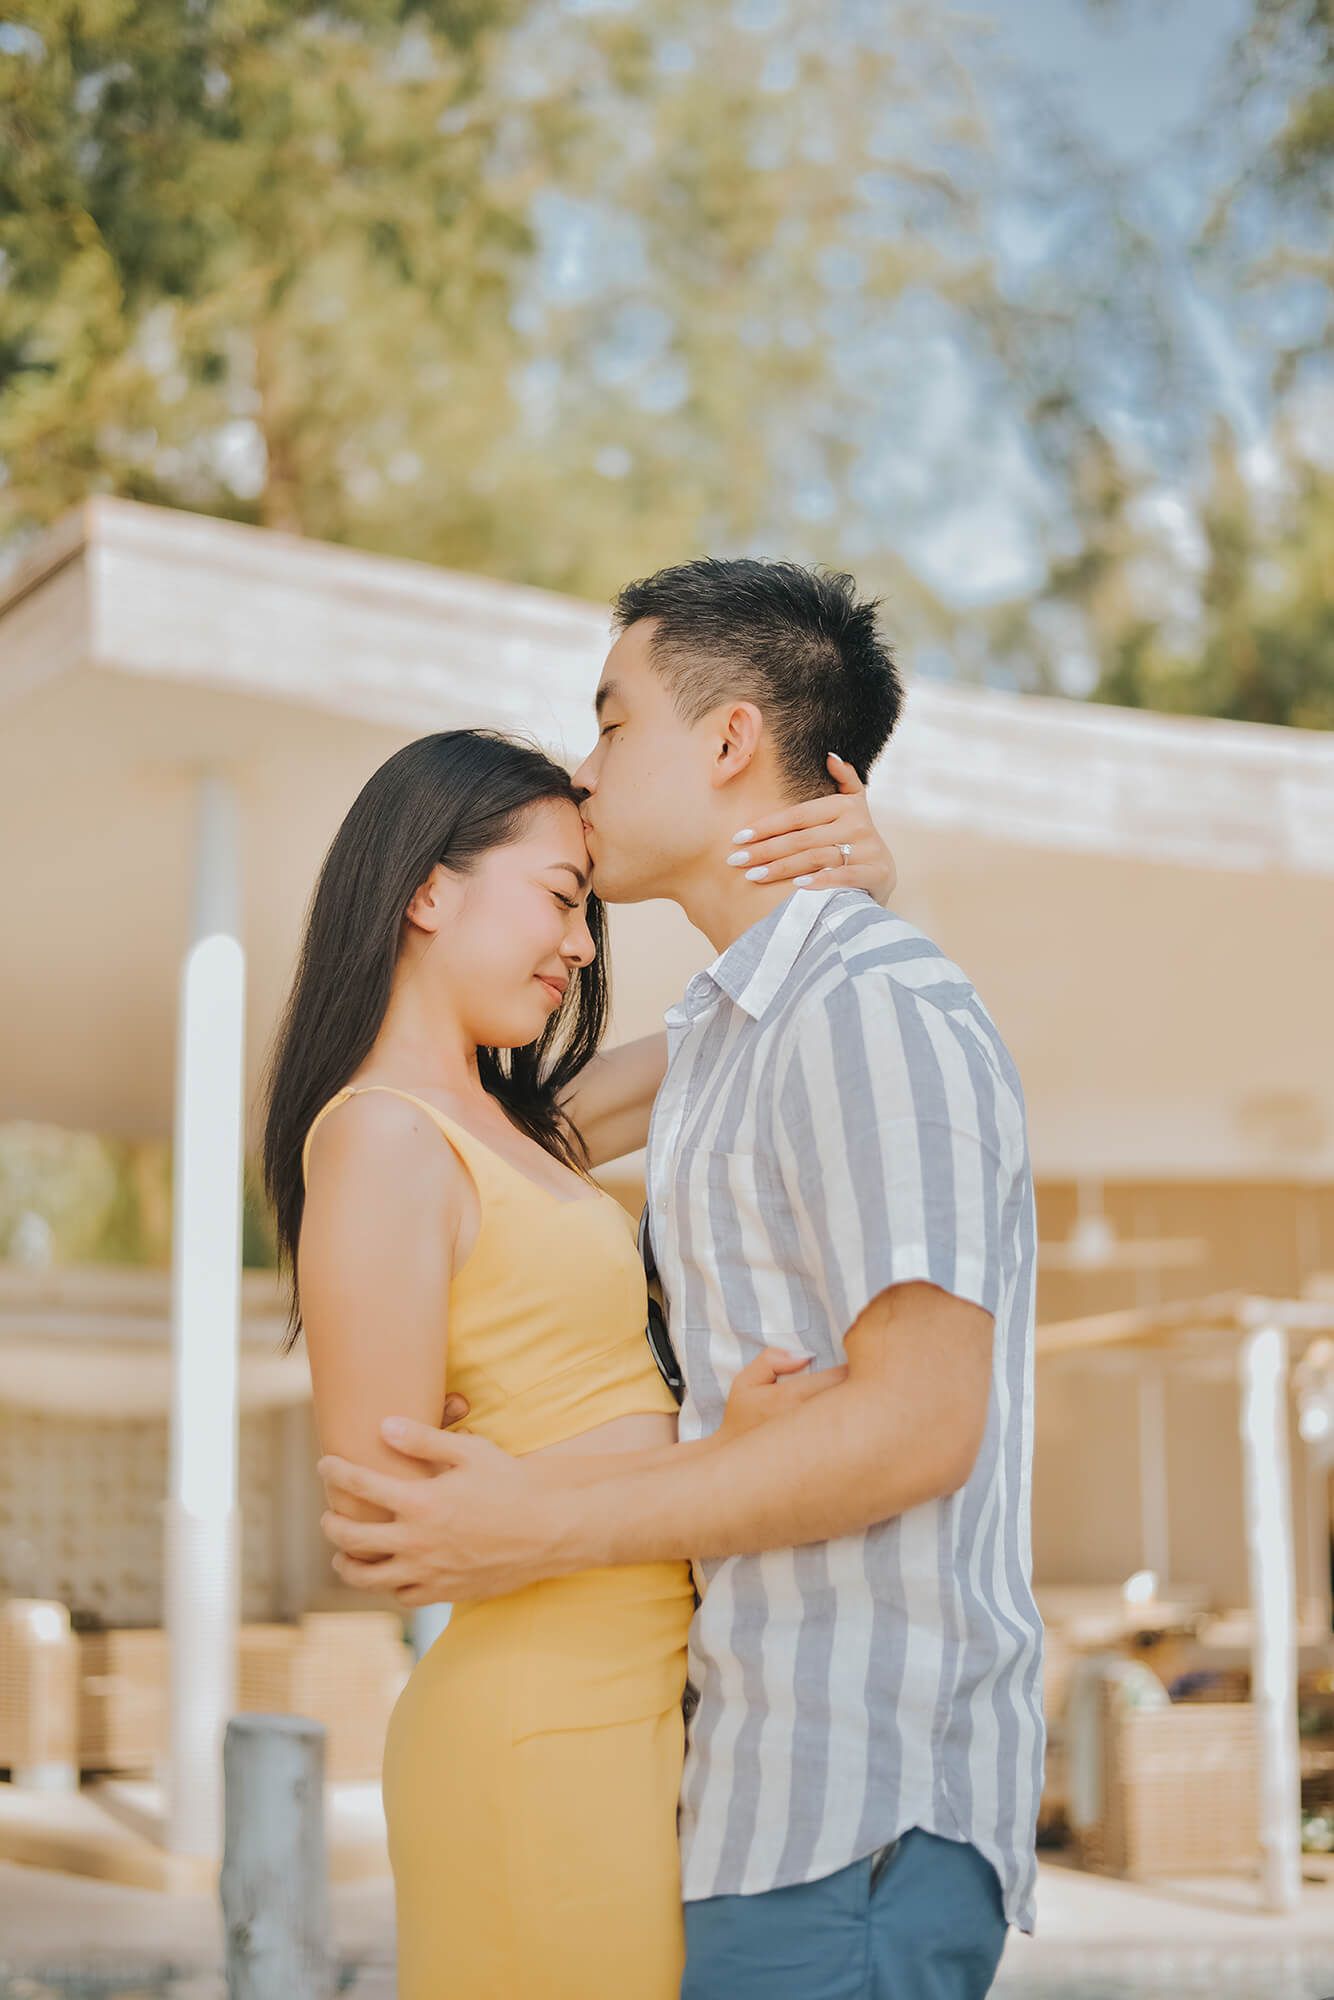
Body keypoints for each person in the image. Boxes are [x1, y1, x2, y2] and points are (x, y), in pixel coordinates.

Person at [322, 560, 1045, 2000]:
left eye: (608, 726)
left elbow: (914, 1424)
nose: (585, 779)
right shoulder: (722, 1043)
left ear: (724, 744)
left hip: (843, 1811)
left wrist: (541, 1506)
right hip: (722, 1784)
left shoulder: (859, 1009)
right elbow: (501, 1162)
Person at [262, 724, 894, 2000]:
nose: (583, 942)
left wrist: (846, 905)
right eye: (559, 897)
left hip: (620, 1696)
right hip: (533, 1718)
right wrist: (711, 1454)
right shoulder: (383, 1140)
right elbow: (387, 1527)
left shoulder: (512, 1133)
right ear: (428, 888)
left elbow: (732, 1033)